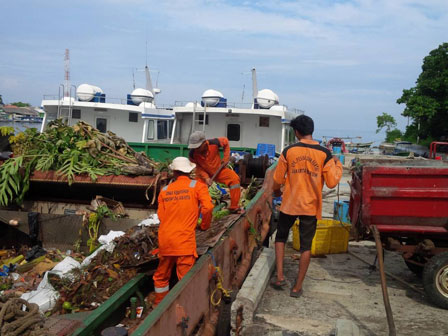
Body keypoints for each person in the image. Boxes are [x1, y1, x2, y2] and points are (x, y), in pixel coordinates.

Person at [272, 115, 343, 297]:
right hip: (310, 207)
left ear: (296, 132)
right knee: (305, 247)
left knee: (280, 238)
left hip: (289, 204)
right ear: (312, 130)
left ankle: (279, 276)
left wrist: (277, 193)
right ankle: (297, 287)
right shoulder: (324, 154)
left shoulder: (289, 151)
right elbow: (332, 182)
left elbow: (277, 180)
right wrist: (338, 164)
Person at [153, 157, 214, 306]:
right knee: (185, 280)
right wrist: (204, 225)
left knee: (161, 276)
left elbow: (161, 216)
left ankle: (160, 306)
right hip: (184, 242)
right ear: (190, 171)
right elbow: (208, 208)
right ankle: (185, 308)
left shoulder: (165, 190)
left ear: (174, 172)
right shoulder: (197, 186)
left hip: (166, 241)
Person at [188, 131, 241, 212]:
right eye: (194, 147)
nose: (196, 149)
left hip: (219, 170)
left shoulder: (214, 143)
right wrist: (206, 178)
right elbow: (198, 167)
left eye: (198, 147)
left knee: (234, 179)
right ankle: (193, 215)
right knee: (197, 191)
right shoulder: (192, 154)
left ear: (204, 143)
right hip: (203, 174)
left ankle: (234, 207)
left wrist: (226, 158)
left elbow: (225, 141)